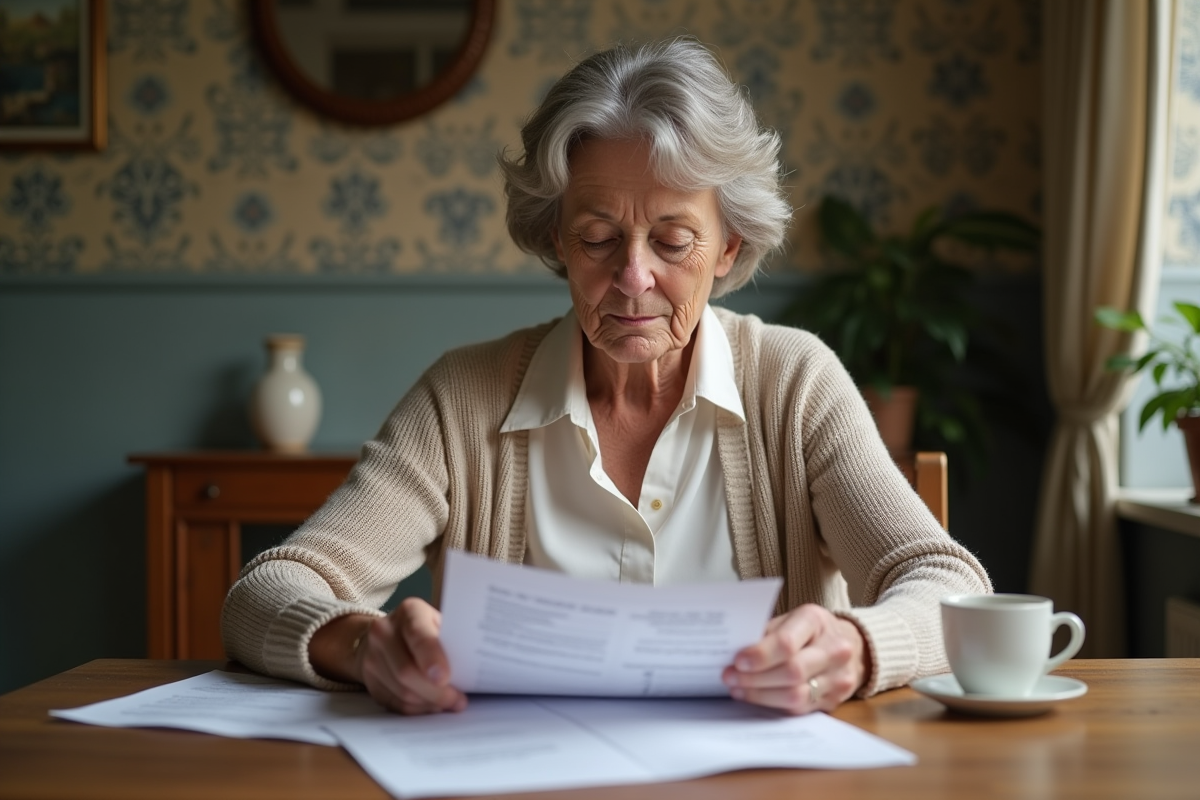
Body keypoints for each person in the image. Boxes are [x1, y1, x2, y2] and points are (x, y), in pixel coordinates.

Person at [222, 38, 991, 717]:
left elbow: (945, 581)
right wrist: (364, 645)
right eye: (597, 237)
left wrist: (855, 645)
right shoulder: (463, 398)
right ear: (557, 239)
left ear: (728, 247)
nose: (632, 277)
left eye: (673, 240)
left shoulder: (795, 385)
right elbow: (266, 592)